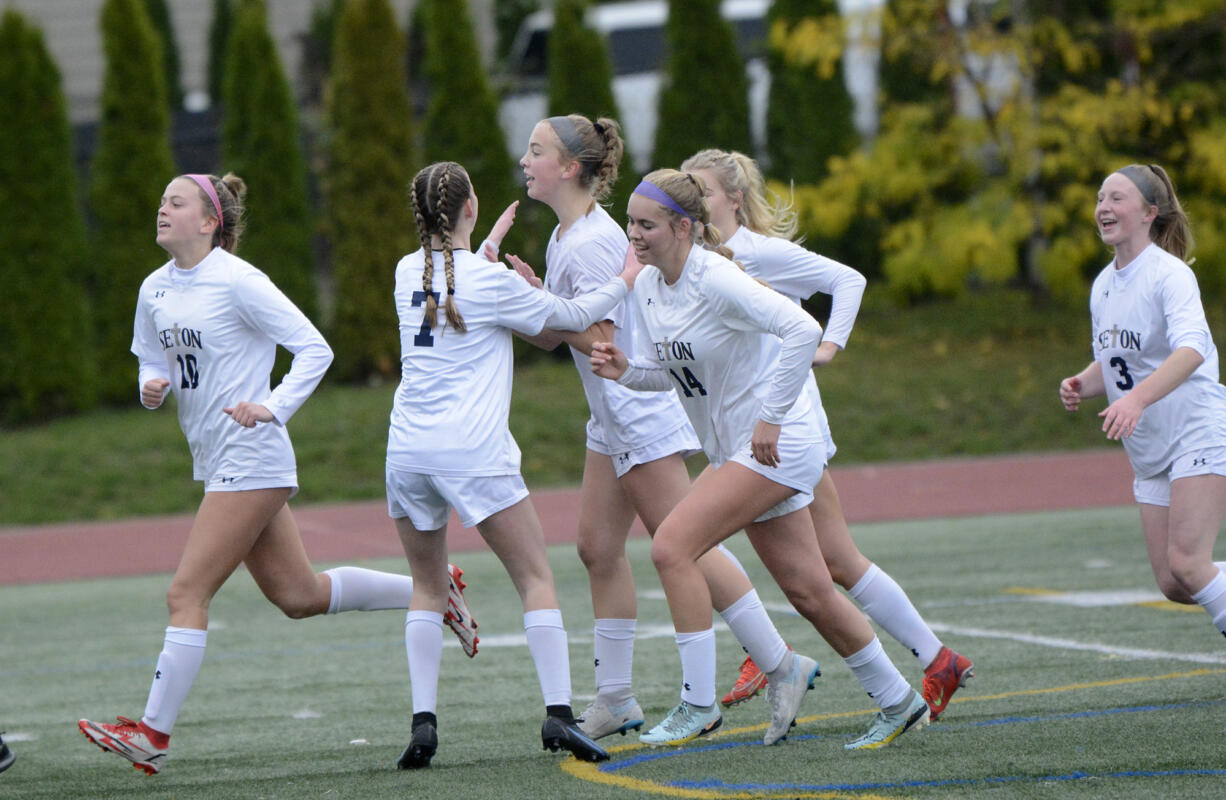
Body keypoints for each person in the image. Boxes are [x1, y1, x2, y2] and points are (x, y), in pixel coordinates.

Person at [77, 173, 478, 776]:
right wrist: (149, 386)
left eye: (175, 202)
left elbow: (315, 348)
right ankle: (431, 589)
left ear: (211, 222)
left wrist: (273, 406)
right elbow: (148, 357)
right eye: (160, 200)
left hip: (252, 457)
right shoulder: (154, 289)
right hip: (217, 461)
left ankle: (151, 735)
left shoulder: (239, 281)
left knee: (186, 593)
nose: (161, 209)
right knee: (299, 595)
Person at [503, 115, 816, 747]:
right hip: (609, 415)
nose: (524, 160)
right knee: (597, 548)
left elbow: (603, 341)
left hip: (643, 413)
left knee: (685, 546)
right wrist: (529, 301)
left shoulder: (596, 240)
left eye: (535, 151)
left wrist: (547, 311)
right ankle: (616, 697)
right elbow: (556, 337)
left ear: (570, 168)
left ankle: (781, 663)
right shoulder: (566, 239)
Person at [590, 170, 929, 750]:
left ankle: (698, 704)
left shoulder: (716, 276)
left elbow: (802, 328)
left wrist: (771, 416)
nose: (635, 234)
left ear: (683, 227)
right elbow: (671, 374)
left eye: (646, 224)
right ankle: (900, 701)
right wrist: (628, 371)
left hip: (777, 442)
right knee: (808, 590)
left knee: (672, 546)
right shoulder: (648, 287)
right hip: (740, 450)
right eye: (631, 224)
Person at [681, 148, 974, 720]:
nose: (696, 204)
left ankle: (765, 655)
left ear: (734, 200)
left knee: (694, 539)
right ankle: (937, 659)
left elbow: (848, 279)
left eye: (706, 192)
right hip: (755, 428)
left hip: (782, 428)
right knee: (835, 560)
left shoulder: (757, 253)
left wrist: (829, 346)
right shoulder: (699, 259)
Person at [389, 160, 649, 768]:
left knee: (427, 588)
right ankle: (559, 716)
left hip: (406, 452)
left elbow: (451, 290)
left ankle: (423, 726)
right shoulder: (489, 282)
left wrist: (481, 254)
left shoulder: (405, 271)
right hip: (472, 451)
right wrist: (628, 277)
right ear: (470, 208)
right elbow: (575, 319)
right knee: (535, 579)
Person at [1060, 163, 1226, 639]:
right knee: (1175, 582)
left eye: (1117, 198)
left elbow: (1192, 350)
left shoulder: (1169, 275)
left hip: (1197, 429)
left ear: (1150, 212)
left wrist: (1133, 402)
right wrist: (1081, 382)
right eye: (1100, 198)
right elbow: (1115, 361)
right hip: (1151, 450)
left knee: (1190, 563)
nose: (1103, 208)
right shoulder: (1103, 285)